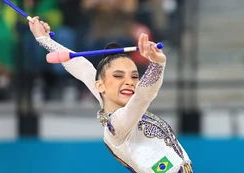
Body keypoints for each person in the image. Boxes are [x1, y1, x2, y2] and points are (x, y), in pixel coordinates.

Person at [28, 16, 193, 173]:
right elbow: (143, 96)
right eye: (118, 76)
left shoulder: (117, 109)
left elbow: (80, 66)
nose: (129, 82)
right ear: (100, 86)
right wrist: (157, 63)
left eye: (134, 76)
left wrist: (45, 40)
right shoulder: (117, 124)